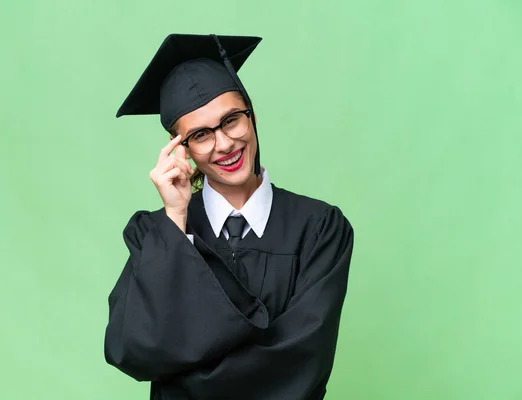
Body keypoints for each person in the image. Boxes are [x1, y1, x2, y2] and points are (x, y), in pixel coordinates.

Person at [104, 33, 354, 400]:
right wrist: (176, 216)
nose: (223, 144)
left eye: (231, 120)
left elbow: (300, 365)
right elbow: (132, 349)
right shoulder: (156, 233)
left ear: (251, 116)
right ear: (180, 149)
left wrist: (182, 376)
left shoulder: (319, 228)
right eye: (201, 135)